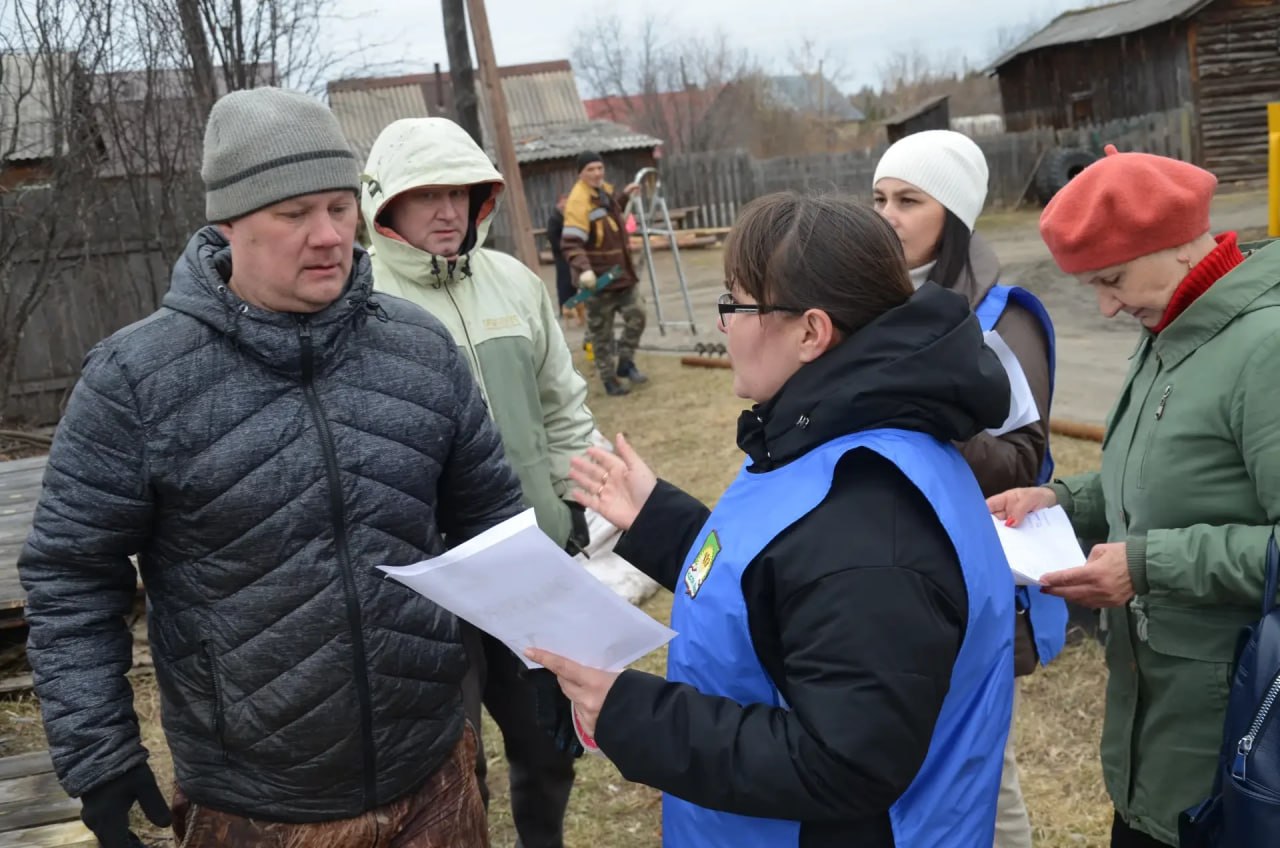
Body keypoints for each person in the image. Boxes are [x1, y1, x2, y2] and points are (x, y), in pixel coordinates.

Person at [17, 88, 525, 848]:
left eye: (339, 207)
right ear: (228, 222)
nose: (328, 236)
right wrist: (97, 751)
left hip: (435, 783)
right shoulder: (137, 380)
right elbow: (70, 574)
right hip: (256, 809)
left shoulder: (418, 350)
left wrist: (530, 677)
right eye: (293, 215)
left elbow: (493, 528)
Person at [531, 192, 1017, 847]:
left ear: (812, 332)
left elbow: (843, 763)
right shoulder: (837, 434)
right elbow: (788, 589)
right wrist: (663, 523)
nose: (725, 323)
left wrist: (633, 715)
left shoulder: (872, 519)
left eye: (737, 304)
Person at [988, 146, 1280, 848]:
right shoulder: (1172, 331)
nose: (1106, 304)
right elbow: (1160, 479)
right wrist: (1057, 499)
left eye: (1112, 279)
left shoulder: (1264, 348)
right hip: (1159, 739)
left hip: (1232, 746)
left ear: (1180, 245)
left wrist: (1146, 566)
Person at [361, 116, 595, 848]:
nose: (445, 211)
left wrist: (573, 497)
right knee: (451, 762)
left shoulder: (515, 284)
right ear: (384, 206)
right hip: (427, 580)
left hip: (528, 560)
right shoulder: (357, 302)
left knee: (548, 741)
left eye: (459, 193)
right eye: (424, 194)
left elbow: (562, 402)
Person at [873, 129, 1068, 848]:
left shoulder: (1000, 317)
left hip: (967, 574)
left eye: (908, 200)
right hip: (882, 567)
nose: (886, 215)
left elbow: (1026, 458)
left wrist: (934, 423)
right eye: (879, 198)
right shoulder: (869, 305)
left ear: (951, 217)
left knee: (980, 768)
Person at [560, 151, 646, 396]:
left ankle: (626, 363)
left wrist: (624, 196)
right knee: (601, 334)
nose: (597, 173)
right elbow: (571, 244)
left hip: (622, 275)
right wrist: (585, 270)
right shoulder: (578, 202)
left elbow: (608, 216)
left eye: (599, 168)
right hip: (598, 282)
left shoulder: (603, 192)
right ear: (580, 173)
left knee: (638, 315)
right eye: (591, 169)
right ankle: (609, 380)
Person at [546, 194, 583, 326]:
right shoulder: (554, 218)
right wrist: (562, 247)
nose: (566, 205)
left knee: (572, 282)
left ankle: (574, 307)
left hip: (570, 253)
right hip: (561, 255)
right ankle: (564, 308)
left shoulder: (568, 217)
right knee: (563, 282)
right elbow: (552, 236)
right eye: (564, 203)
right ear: (559, 203)